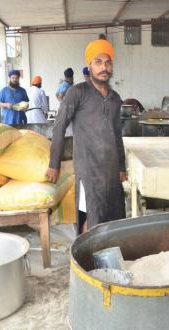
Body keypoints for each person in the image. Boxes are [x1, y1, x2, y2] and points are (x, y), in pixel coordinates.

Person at [46, 39, 127, 234]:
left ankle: (109, 258)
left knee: (113, 217)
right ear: (89, 65)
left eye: (107, 62)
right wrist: (54, 163)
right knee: (88, 217)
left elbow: (117, 135)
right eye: (98, 62)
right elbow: (59, 127)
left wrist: (121, 167)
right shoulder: (77, 93)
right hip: (88, 171)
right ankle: (85, 259)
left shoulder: (115, 99)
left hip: (110, 169)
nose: (103, 67)